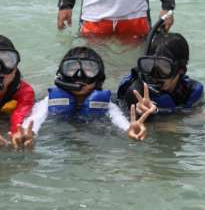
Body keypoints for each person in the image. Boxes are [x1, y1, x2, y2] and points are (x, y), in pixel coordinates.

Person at [21, 46, 154, 142]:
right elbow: (34, 120)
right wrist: (27, 133)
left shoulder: (107, 105)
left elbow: (121, 121)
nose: (79, 76)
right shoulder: (49, 101)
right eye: (72, 69)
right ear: (62, 75)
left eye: (89, 70)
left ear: (99, 77)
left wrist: (130, 130)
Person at [117, 32, 204, 117]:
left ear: (181, 70)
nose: (155, 74)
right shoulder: (137, 92)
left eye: (164, 68)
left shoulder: (189, 91)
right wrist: (141, 113)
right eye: (150, 65)